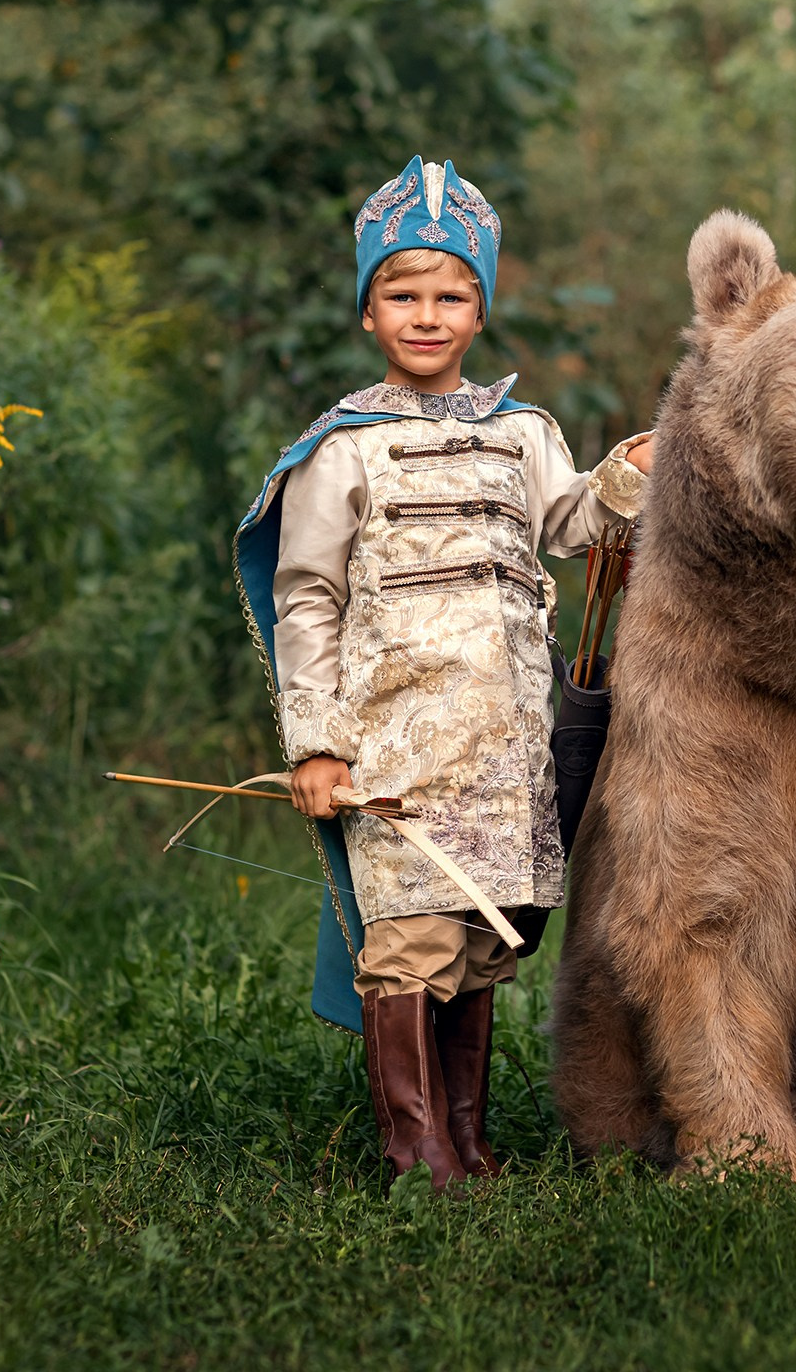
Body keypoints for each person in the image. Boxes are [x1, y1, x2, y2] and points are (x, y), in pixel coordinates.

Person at [232, 156, 652, 1190]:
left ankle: (466, 1139)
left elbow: (573, 524)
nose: (427, 317)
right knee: (410, 940)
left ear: (481, 309)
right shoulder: (342, 449)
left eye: (451, 297)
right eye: (402, 296)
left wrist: (625, 476)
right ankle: (416, 1156)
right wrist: (317, 745)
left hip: (502, 746)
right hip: (394, 746)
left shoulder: (522, 433)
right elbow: (307, 599)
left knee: (475, 942)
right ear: (368, 311)